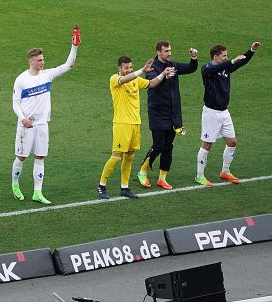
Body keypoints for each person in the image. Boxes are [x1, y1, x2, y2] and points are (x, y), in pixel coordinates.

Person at [10, 27, 80, 204]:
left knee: (40, 157)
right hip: (26, 125)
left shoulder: (47, 75)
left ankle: (37, 192)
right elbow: (15, 102)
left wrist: (74, 46)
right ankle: (15, 184)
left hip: (42, 124)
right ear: (32, 61)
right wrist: (22, 118)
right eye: (40, 60)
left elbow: (68, 65)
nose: (43, 62)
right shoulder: (21, 79)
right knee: (22, 157)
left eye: (43, 59)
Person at [97, 57, 170, 200]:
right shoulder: (114, 79)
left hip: (135, 124)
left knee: (129, 156)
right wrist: (141, 70)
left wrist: (163, 74)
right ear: (119, 68)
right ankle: (102, 185)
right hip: (121, 124)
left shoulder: (136, 81)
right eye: (126, 68)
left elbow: (152, 83)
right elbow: (125, 79)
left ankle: (124, 187)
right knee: (116, 156)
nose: (129, 70)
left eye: (131, 67)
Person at [136, 41, 198, 190]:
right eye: (166, 51)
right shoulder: (152, 67)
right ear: (158, 52)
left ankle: (162, 178)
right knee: (158, 145)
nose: (169, 53)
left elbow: (190, 68)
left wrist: (193, 59)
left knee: (168, 146)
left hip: (173, 114)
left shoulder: (174, 65)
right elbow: (151, 82)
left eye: (170, 50)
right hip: (157, 113)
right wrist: (163, 74)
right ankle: (142, 172)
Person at [195, 42, 259, 186]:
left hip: (224, 112)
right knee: (207, 144)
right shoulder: (207, 69)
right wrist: (231, 61)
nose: (226, 58)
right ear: (215, 56)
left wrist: (251, 50)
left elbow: (240, 62)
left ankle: (225, 171)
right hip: (211, 113)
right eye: (224, 56)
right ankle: (199, 176)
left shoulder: (225, 68)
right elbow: (219, 67)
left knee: (232, 142)